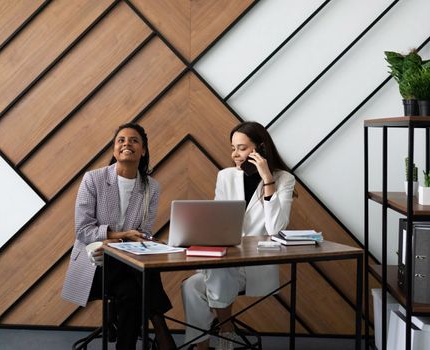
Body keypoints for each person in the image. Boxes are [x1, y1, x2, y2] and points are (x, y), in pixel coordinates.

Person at [181, 121, 296, 350]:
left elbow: (275, 228)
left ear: (260, 148)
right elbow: (217, 219)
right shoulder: (226, 176)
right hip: (225, 260)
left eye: (241, 148)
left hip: (254, 264)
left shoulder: (284, 179)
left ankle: (224, 328)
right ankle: (210, 342)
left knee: (217, 270)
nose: (235, 154)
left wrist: (267, 180)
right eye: (233, 147)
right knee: (191, 287)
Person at [62, 123, 176, 350]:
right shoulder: (93, 179)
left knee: (134, 291)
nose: (127, 144)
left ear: (143, 150)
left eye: (134, 140)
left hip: (129, 261)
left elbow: (145, 230)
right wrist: (122, 235)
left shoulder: (150, 187)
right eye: (121, 140)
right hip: (97, 261)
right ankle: (160, 327)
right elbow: (83, 230)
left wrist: (147, 241)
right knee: (142, 278)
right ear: (114, 149)